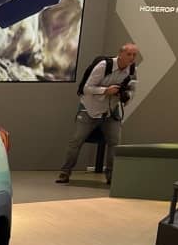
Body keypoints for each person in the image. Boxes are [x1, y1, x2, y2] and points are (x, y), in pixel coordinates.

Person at [56, 43, 140, 184]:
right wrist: (105, 90)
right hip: (90, 109)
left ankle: (111, 176)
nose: (132, 57)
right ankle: (65, 172)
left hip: (110, 111)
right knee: (76, 140)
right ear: (120, 54)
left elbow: (132, 90)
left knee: (115, 142)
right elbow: (87, 88)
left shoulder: (132, 70)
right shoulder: (104, 66)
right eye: (129, 54)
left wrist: (126, 96)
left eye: (134, 55)